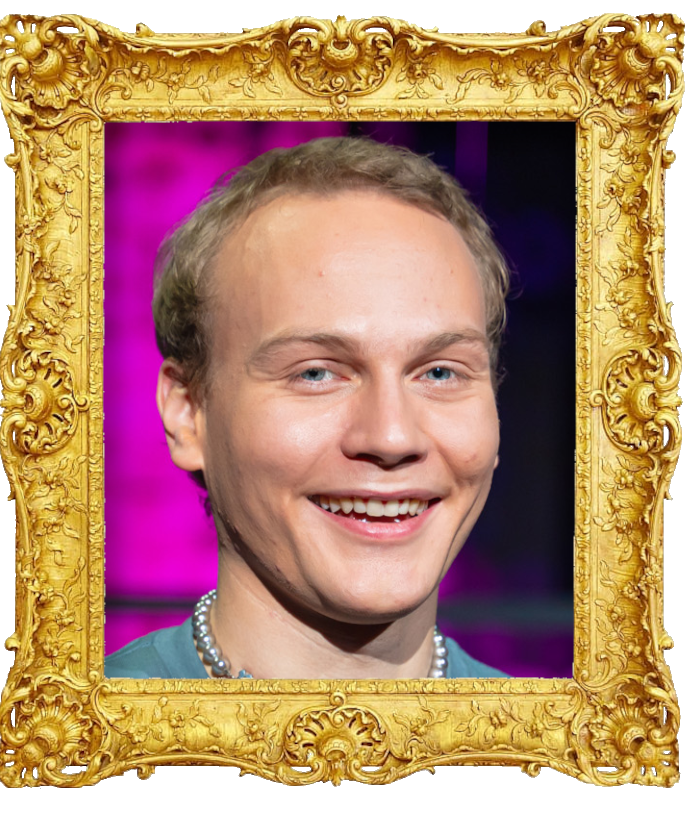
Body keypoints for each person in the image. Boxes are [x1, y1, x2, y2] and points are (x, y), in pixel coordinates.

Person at [105, 136, 511, 680]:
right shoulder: (76, 741)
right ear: (188, 411)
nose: (392, 436)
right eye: (316, 373)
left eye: (440, 372)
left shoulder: (562, 750)